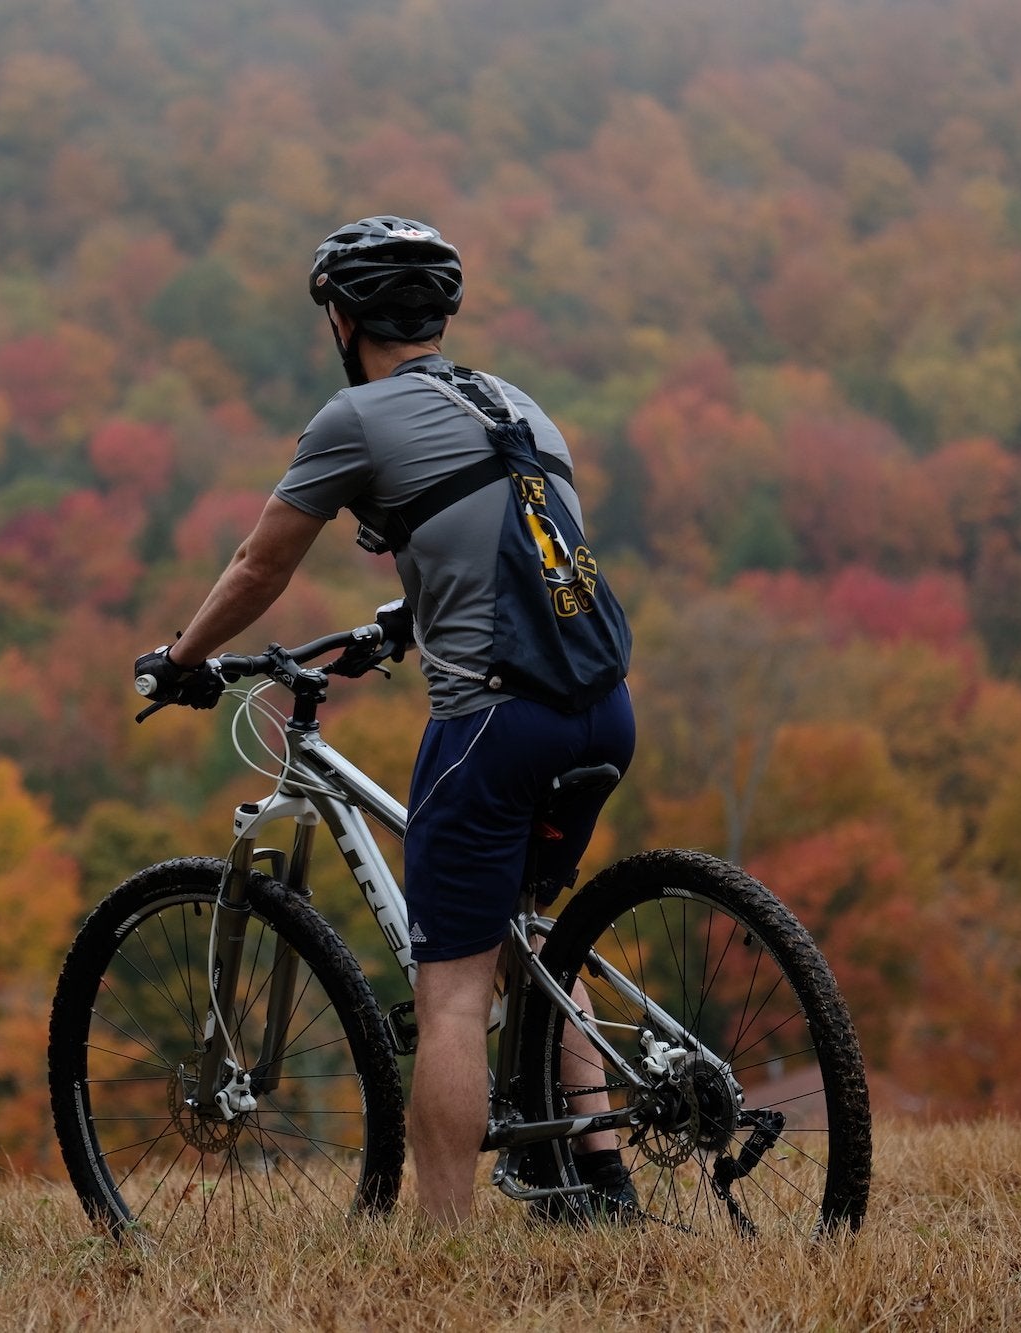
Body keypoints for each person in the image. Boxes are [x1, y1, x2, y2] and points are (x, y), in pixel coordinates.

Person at [132, 216, 637, 1223]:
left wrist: (181, 659)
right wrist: (403, 623)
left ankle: (441, 1242)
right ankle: (597, 1178)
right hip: (600, 712)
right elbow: (513, 544)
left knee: (449, 988)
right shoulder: (518, 403)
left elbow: (259, 565)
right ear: (438, 312)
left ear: (342, 316)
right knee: (532, 937)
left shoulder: (353, 419)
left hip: (493, 722)